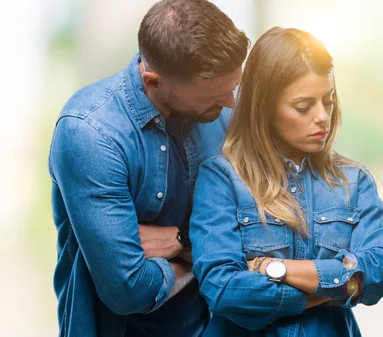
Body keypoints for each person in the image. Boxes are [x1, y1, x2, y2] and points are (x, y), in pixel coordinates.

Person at [48, 1, 249, 336]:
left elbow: (263, 233)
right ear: (153, 81)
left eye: (232, 87)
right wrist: (212, 254)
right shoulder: (90, 132)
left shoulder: (223, 107)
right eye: (215, 96)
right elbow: (129, 290)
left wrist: (182, 243)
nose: (231, 103)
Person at [189, 27, 383, 337]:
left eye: (327, 101)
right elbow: (223, 289)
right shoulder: (222, 178)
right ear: (264, 108)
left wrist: (274, 268)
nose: (322, 117)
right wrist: (333, 289)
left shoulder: (354, 182)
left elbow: (377, 274)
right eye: (303, 107)